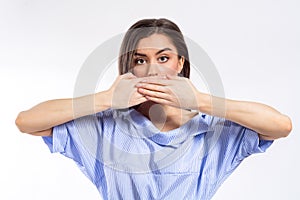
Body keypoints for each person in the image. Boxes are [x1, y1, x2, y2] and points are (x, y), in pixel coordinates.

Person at [15, 18, 292, 200]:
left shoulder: (208, 130)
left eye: (163, 57)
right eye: (140, 60)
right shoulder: (106, 128)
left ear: (180, 63)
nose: (152, 69)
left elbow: (280, 126)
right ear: (129, 66)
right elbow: (27, 122)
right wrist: (106, 99)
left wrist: (202, 101)